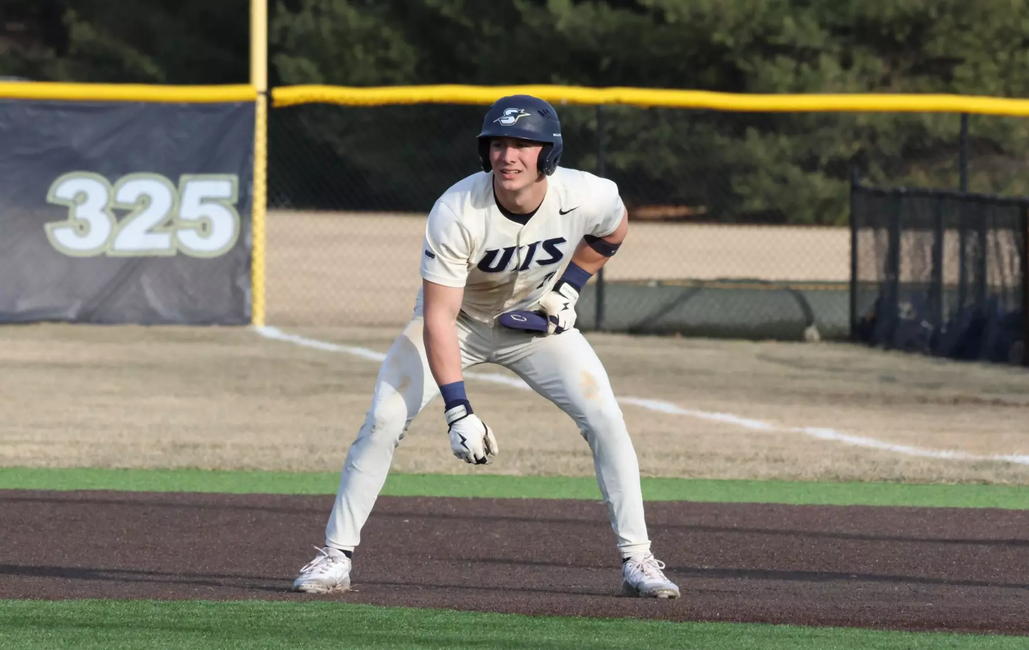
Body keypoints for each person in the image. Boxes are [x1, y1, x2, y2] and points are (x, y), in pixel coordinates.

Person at [292, 95, 680, 599]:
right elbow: (438, 318)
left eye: (523, 144)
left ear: (550, 154)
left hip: (535, 325)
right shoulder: (458, 209)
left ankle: (639, 559)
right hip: (460, 324)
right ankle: (335, 556)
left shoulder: (588, 194)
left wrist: (567, 291)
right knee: (384, 420)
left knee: (605, 417)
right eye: (498, 143)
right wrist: (459, 410)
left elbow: (615, 229)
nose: (508, 155)